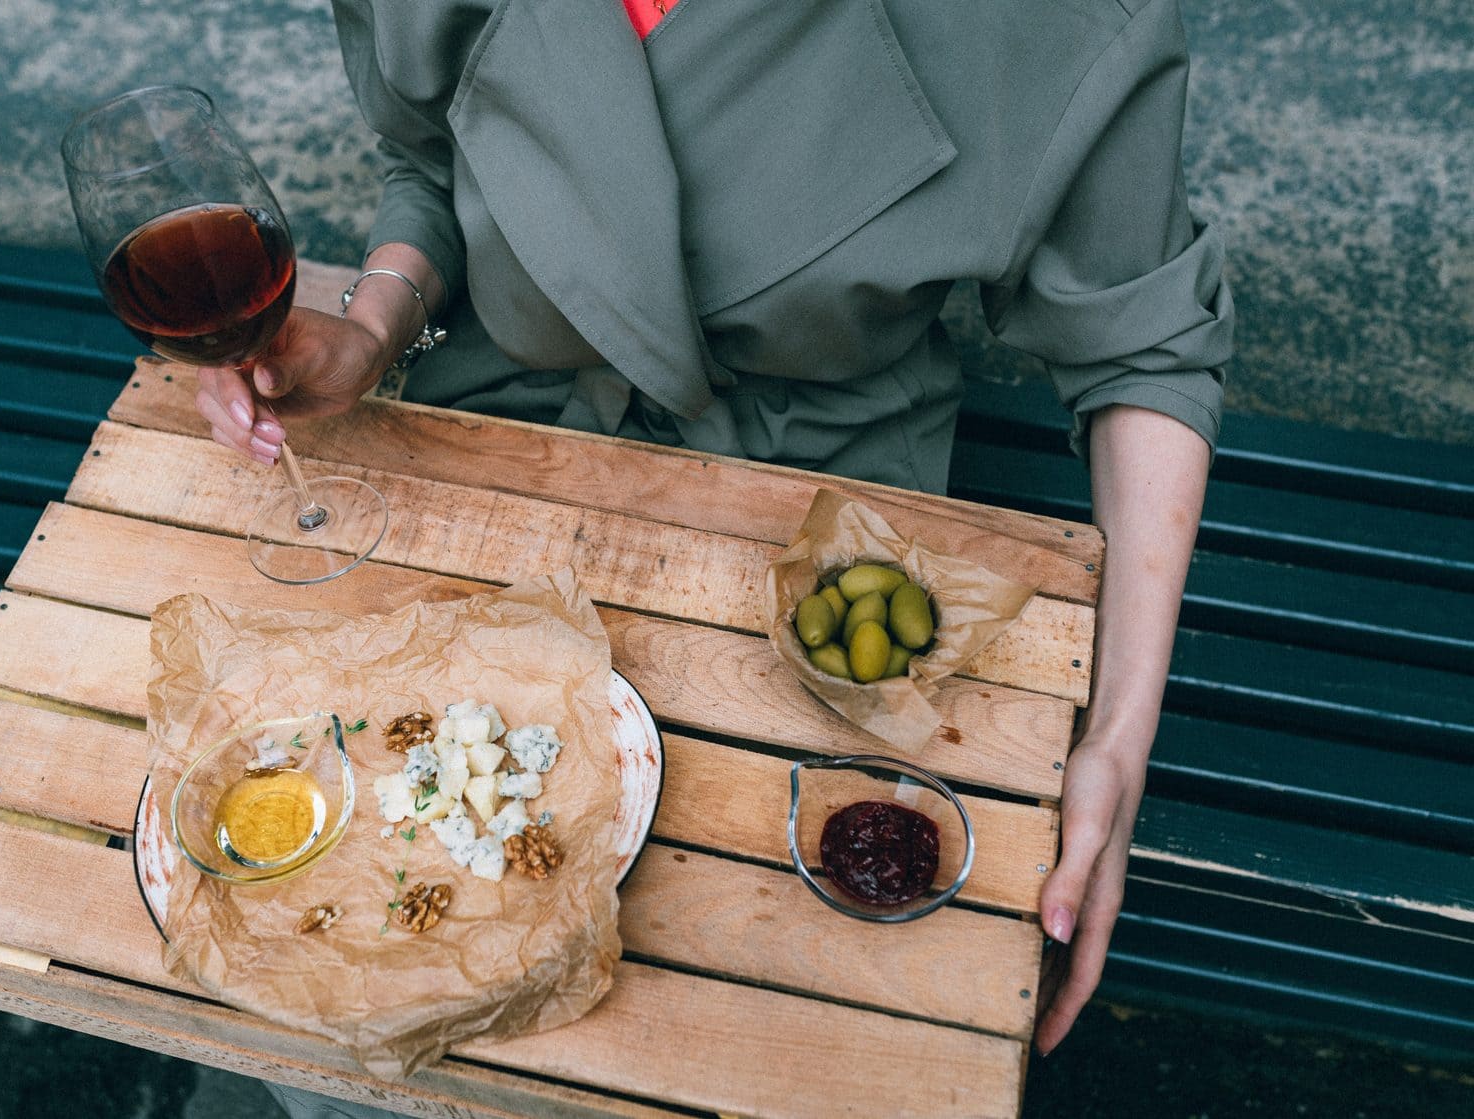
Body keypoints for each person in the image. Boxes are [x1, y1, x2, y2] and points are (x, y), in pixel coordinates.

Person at [196, 0, 1232, 1108]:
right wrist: (375, 323)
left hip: (823, 506)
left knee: (758, 1027)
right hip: (502, 443)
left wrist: (1120, 736)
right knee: (342, 957)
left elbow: (1142, 345)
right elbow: (437, 155)